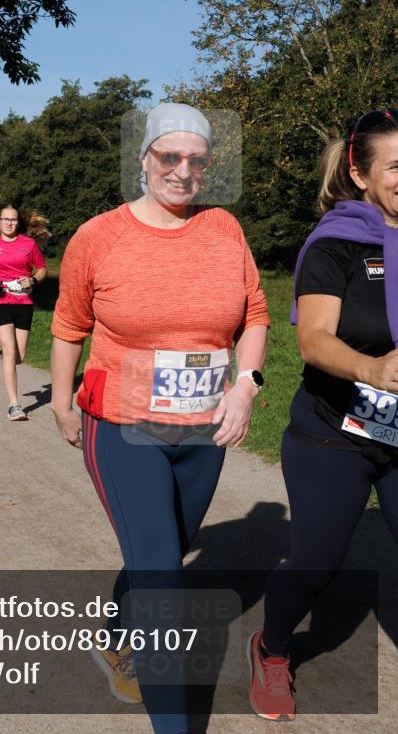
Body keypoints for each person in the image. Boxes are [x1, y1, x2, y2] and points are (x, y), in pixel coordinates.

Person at [50, 103, 269, 734]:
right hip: (123, 424)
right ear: (143, 159)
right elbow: (69, 327)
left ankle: (115, 635)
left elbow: (255, 316)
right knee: (165, 582)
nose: (182, 172)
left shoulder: (225, 228)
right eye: (169, 157)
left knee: (163, 552)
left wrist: (246, 388)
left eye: (196, 161)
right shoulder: (99, 236)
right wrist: (63, 405)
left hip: (205, 431)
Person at [249, 107, 398, 722]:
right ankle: (274, 648)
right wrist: (374, 369)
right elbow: (314, 339)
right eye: (397, 167)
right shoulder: (337, 243)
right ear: (362, 176)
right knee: (317, 561)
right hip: (333, 433)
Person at [0, 205, 49, 421]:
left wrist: (33, 279)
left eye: (13, 220)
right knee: (9, 352)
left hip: (23, 302)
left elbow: (42, 270)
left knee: (19, 356)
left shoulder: (29, 244)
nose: (9, 223)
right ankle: (14, 405)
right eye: (5, 219)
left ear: (18, 222)